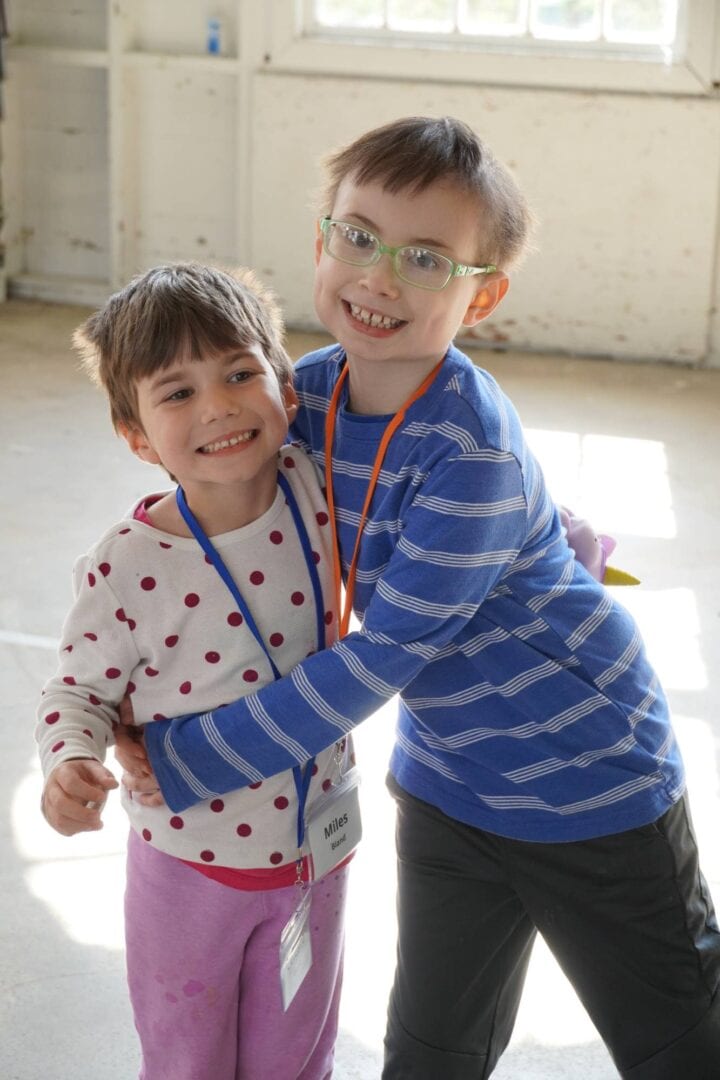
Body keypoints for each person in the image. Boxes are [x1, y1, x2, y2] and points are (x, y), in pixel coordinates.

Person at [125, 117, 720, 1078]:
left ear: (481, 295)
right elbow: (220, 511)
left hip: (587, 780)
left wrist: (191, 754)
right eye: (360, 237)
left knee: (680, 1045)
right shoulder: (303, 398)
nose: (381, 278)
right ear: (321, 240)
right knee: (432, 1050)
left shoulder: (468, 448)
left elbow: (384, 655)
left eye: (427, 259)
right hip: (449, 781)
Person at [36, 262, 357, 1080]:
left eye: (240, 374)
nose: (218, 406)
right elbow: (77, 690)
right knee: (188, 1060)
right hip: (189, 867)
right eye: (178, 393)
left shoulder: (323, 493)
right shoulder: (126, 567)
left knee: (299, 1057)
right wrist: (69, 760)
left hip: (320, 849)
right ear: (137, 436)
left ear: (286, 389)